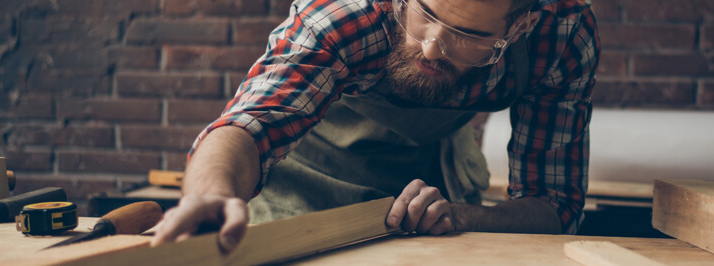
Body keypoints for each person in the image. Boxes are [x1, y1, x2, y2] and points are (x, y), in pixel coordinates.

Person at [151, 0, 598, 252]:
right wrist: (211, 194)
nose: (431, 48)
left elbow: (555, 204)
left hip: (427, 182)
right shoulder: (344, 15)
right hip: (306, 175)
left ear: (523, 25)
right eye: (425, 13)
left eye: (465, 35)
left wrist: (463, 216)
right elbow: (250, 122)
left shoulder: (562, 37)